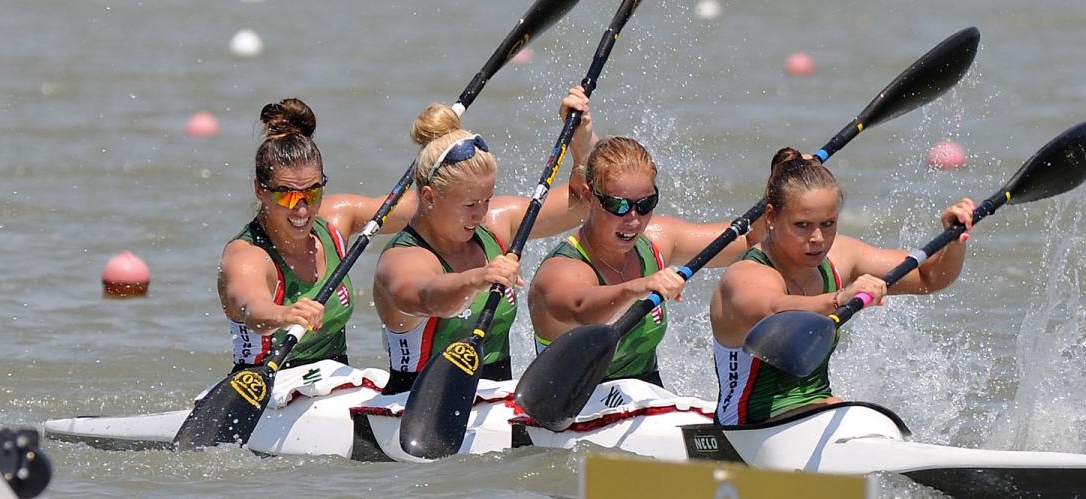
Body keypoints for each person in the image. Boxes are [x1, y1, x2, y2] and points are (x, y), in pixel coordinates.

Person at [710, 148, 975, 425]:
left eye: (828, 224)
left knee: (876, 421)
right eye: (802, 225)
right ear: (771, 217)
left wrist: (953, 240)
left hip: (816, 411)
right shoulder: (746, 274)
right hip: (747, 426)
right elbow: (776, 310)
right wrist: (839, 298)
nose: (818, 238)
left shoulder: (841, 257)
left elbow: (930, 277)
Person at [527, 91, 762, 388]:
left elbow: (750, 241)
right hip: (573, 403)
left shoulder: (657, 241)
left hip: (645, 398)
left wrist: (784, 191)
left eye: (646, 204)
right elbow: (583, 310)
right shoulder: (561, 270)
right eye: (618, 205)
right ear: (588, 197)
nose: (634, 219)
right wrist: (638, 287)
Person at [372, 89, 592, 395]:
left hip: (496, 403)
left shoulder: (496, 226)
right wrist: (479, 278)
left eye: (486, 200)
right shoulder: (403, 258)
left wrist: (581, 143)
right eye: (469, 204)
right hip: (419, 405)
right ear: (429, 197)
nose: (480, 213)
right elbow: (428, 297)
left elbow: (584, 204)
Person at [218, 98, 419, 370]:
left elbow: (421, 206)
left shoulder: (336, 219)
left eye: (312, 192)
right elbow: (254, 310)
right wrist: (285, 314)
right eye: (287, 196)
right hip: (267, 382)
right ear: (260, 190)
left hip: (333, 379)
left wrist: (441, 152)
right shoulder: (247, 256)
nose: (302, 209)